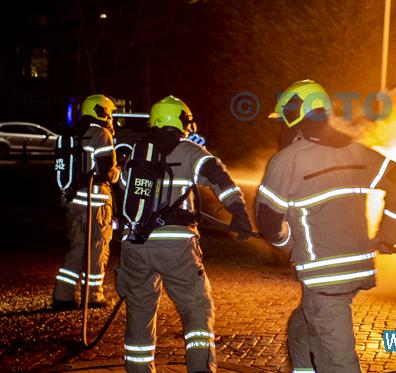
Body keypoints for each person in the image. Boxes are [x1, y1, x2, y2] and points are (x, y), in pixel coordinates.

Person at [256, 80, 396, 372]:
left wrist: (282, 244)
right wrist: (389, 234)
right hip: (356, 268)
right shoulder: (357, 153)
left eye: (285, 116)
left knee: (339, 360)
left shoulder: (287, 160)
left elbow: (268, 221)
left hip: (324, 278)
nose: (283, 125)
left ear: (296, 112)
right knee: (302, 330)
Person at [115, 95, 254, 372]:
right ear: (179, 120)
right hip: (175, 247)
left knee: (140, 312)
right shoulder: (189, 150)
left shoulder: (137, 152)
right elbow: (217, 175)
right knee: (196, 310)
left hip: (134, 245)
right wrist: (238, 211)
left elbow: (122, 185)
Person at [53, 94, 119, 310]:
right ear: (101, 112)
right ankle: (93, 296)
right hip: (96, 203)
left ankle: (63, 296)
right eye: (109, 113)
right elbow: (107, 171)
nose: (110, 117)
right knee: (97, 248)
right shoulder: (102, 134)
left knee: (76, 248)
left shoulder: (73, 134)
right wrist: (119, 172)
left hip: (73, 202)